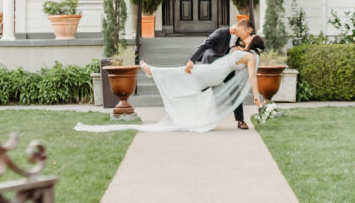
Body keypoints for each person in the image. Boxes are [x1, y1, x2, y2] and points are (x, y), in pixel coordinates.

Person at [74, 33, 264, 135]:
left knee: (183, 73)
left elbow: (251, 77)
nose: (245, 37)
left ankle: (153, 70)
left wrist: (255, 96)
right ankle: (191, 114)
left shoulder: (249, 57)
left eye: (249, 37)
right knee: (186, 79)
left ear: (253, 42)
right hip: (216, 71)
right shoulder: (244, 52)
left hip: (215, 72)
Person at [187, 19, 254, 129]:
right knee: (204, 92)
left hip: (226, 67)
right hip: (210, 66)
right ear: (241, 29)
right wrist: (191, 60)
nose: (248, 35)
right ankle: (200, 119)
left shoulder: (239, 39)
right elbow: (204, 46)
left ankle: (240, 120)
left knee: (235, 90)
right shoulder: (221, 33)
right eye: (248, 32)